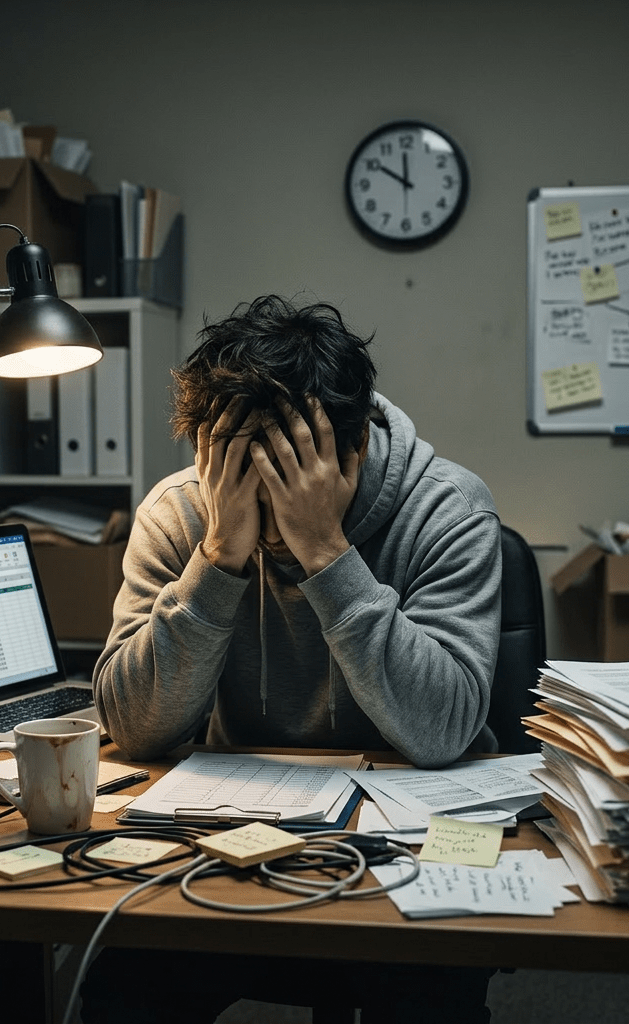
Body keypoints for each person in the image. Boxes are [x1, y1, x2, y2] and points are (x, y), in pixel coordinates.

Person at [83, 294, 502, 1023]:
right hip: (228, 841)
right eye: (244, 478)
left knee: (434, 989)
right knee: (122, 977)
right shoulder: (182, 513)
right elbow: (135, 728)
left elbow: (442, 729)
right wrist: (217, 558)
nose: (266, 517)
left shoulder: (449, 510)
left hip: (406, 849)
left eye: (290, 482)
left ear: (356, 449)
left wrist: (325, 552)